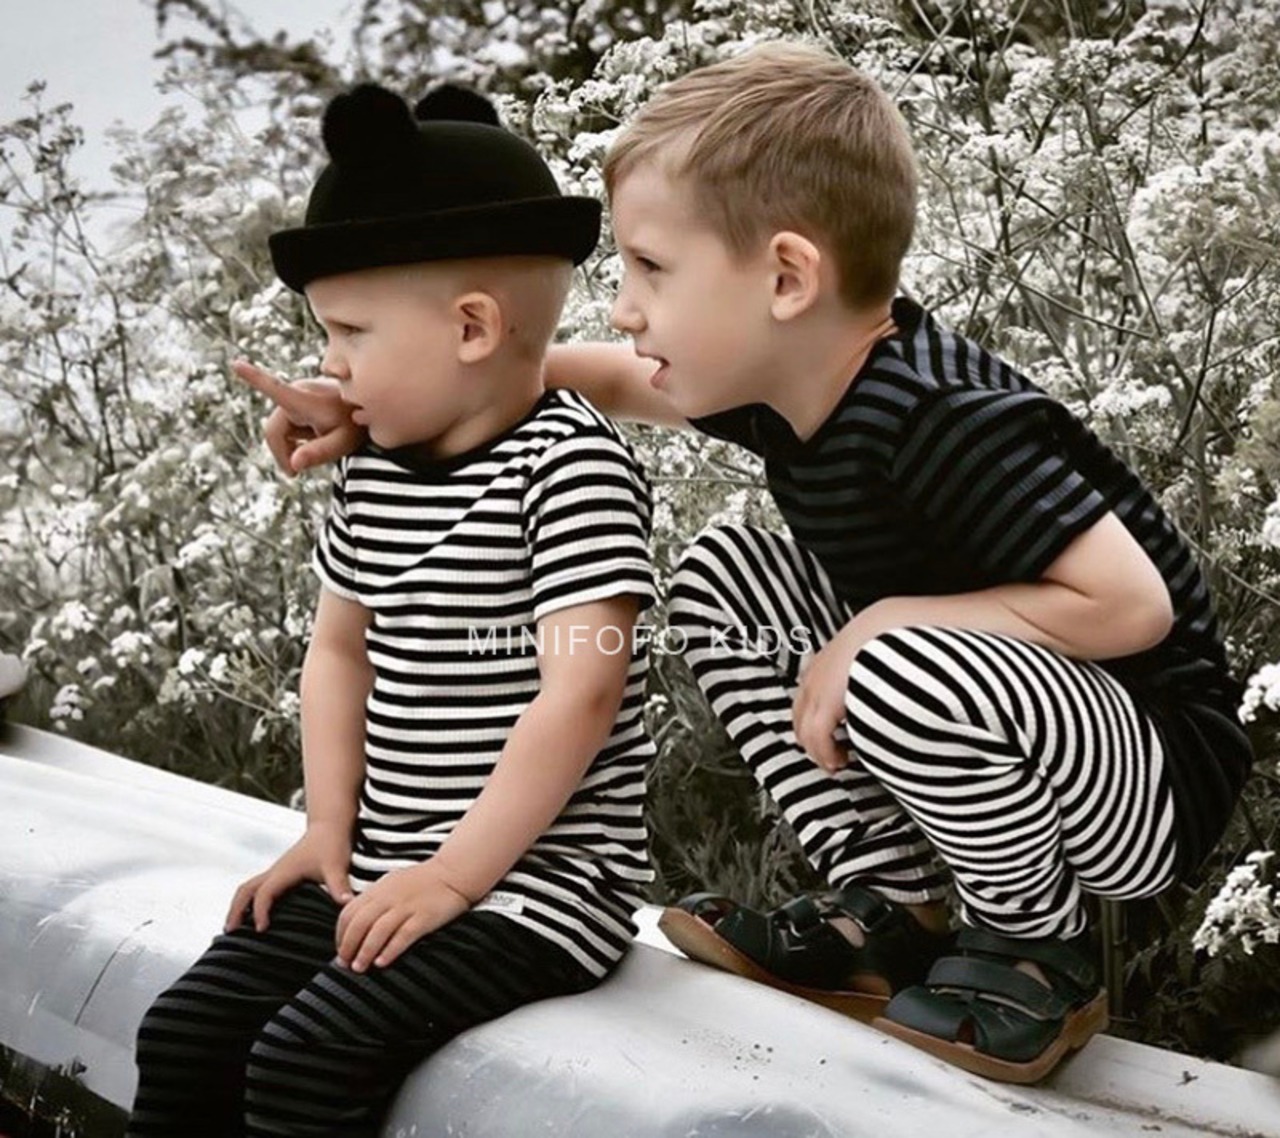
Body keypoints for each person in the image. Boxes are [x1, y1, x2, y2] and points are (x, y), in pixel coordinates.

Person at [243, 44, 1253, 1085]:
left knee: (894, 657)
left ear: (785, 278)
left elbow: (1129, 607)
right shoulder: (789, 382)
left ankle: (1033, 954)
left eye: (652, 269)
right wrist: (376, 399)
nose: (624, 306)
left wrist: (883, 625)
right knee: (722, 575)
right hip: (1005, 717)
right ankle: (892, 909)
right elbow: (581, 376)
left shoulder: (938, 418)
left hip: (1143, 780)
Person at [128, 82, 656, 1137]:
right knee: (183, 1032)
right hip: (382, 858)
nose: (329, 365)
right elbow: (339, 651)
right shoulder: (374, 472)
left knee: (306, 1057)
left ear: (471, 328)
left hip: (535, 888)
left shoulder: (571, 467)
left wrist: (453, 877)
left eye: (350, 332)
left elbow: (583, 691)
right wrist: (326, 828)